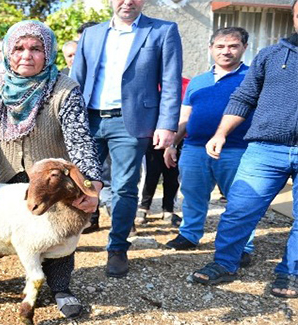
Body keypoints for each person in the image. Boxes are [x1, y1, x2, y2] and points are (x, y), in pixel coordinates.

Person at [0, 20, 103, 319]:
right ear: (8, 51)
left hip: (51, 176)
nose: (26, 55)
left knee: (57, 231)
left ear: (48, 52)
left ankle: (60, 288)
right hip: (6, 168)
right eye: (18, 48)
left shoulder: (65, 88)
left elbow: (80, 139)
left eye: (36, 49)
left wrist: (91, 186)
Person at [190, 2, 298, 299]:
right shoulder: (271, 55)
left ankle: (291, 271)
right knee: (239, 209)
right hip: (265, 149)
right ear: (294, 15)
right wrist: (221, 134)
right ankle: (225, 262)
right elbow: (244, 98)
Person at [71, 0, 182, 278]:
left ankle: (117, 247)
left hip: (131, 122)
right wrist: (69, 119)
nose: (127, 1)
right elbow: (76, 79)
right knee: (79, 183)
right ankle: (66, 242)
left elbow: (170, 82)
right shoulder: (92, 34)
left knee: (124, 187)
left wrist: (167, 124)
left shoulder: (163, 31)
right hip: (90, 119)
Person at [164, 28, 256, 268]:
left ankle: (242, 246)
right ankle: (190, 235)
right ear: (211, 48)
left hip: (236, 150)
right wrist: (173, 143)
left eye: (233, 46)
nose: (226, 51)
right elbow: (185, 116)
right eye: (220, 46)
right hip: (194, 148)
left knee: (239, 202)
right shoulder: (198, 81)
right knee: (193, 196)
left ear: (244, 48)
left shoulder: (253, 78)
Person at [136, 76, 190, 228]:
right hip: (153, 136)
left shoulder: (187, 84)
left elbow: (186, 113)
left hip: (178, 137)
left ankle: (168, 209)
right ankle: (143, 207)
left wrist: (175, 138)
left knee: (172, 174)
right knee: (150, 173)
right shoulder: (150, 83)